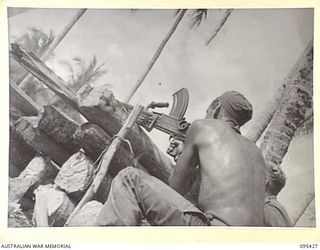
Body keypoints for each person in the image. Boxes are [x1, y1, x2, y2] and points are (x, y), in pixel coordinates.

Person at [96, 91, 266, 226]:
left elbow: (176, 188)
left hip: (213, 234)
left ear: (216, 106)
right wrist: (185, 155)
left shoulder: (203, 126)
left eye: (207, 110)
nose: (206, 114)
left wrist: (186, 154)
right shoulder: (256, 153)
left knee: (129, 177)